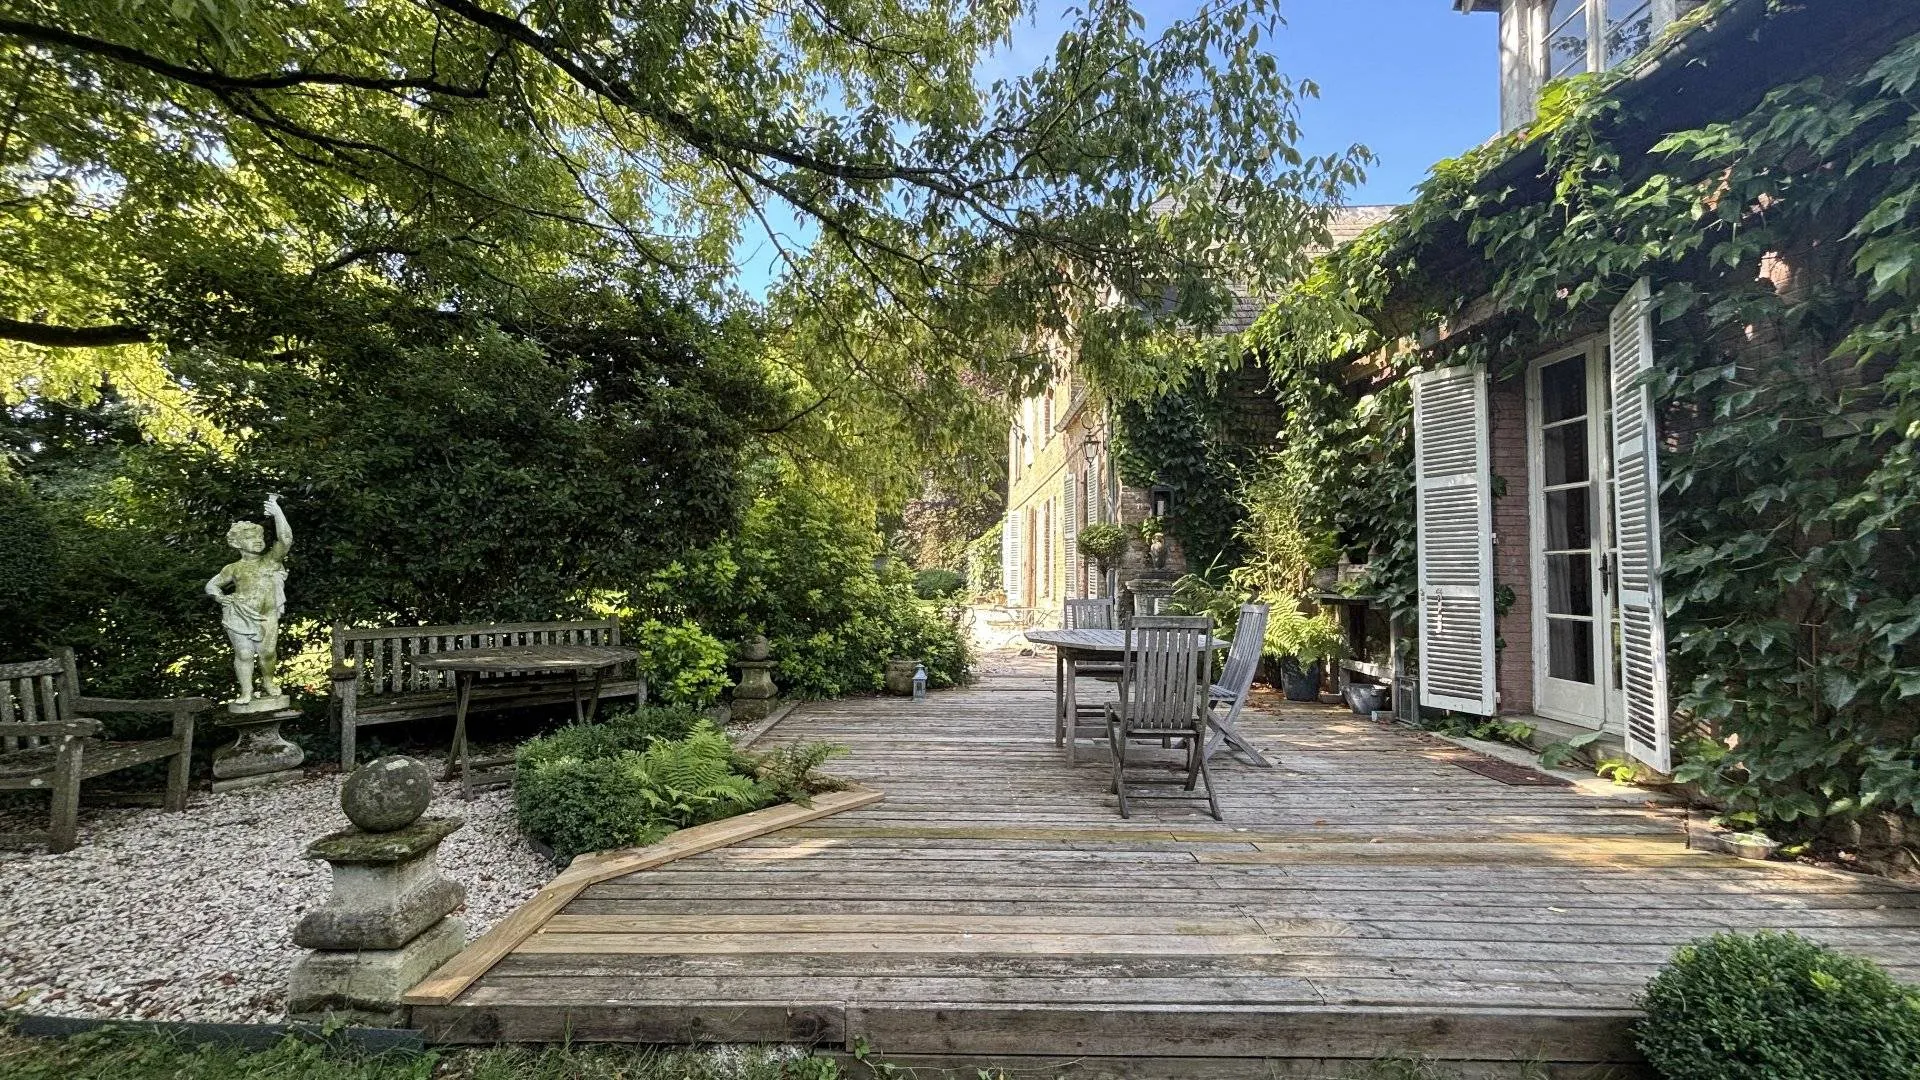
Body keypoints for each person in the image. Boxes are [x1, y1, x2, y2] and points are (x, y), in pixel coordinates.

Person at [206, 495, 292, 704]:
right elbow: (211, 585)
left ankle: (268, 681)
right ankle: (246, 691)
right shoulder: (233, 568)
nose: (258, 540)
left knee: (268, 654)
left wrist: (277, 511)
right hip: (239, 613)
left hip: (267, 615)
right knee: (244, 654)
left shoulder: (270, 561)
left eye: (260, 537)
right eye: (250, 538)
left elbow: (286, 539)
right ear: (237, 543)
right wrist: (220, 598)